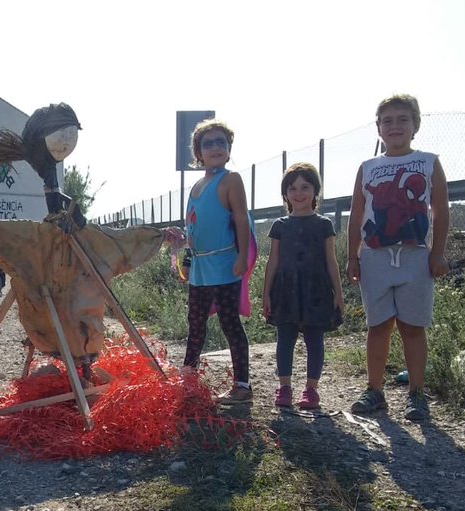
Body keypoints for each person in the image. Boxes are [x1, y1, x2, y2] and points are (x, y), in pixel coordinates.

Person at [346, 94, 449, 421]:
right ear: (378, 128)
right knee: (378, 327)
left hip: (415, 258)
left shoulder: (429, 162)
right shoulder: (368, 168)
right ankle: (374, 391)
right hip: (375, 258)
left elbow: (441, 210)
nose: (395, 126)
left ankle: (416, 395)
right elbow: (356, 215)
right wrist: (352, 256)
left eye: (402, 119)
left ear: (415, 125)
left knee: (412, 327)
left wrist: (438, 252)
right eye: (387, 121)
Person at [180, 119, 254, 401]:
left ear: (229, 148)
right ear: (198, 152)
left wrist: (242, 258)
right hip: (200, 268)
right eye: (208, 143)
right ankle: (188, 376)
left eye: (221, 142)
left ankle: (242, 385)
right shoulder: (196, 185)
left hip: (224, 266)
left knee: (229, 323)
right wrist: (187, 259)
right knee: (195, 322)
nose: (215, 148)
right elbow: (192, 228)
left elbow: (240, 219)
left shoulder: (231, 179)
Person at [262, 163, 343, 410]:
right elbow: (273, 261)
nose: (299, 193)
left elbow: (331, 261)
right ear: (285, 194)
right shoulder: (280, 226)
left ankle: (311, 390)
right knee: (284, 339)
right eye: (292, 188)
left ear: (315, 191)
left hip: (315, 291)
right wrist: (266, 293)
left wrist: (338, 293)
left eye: (305, 187)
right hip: (285, 290)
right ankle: (284, 387)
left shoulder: (323, 224)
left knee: (314, 340)